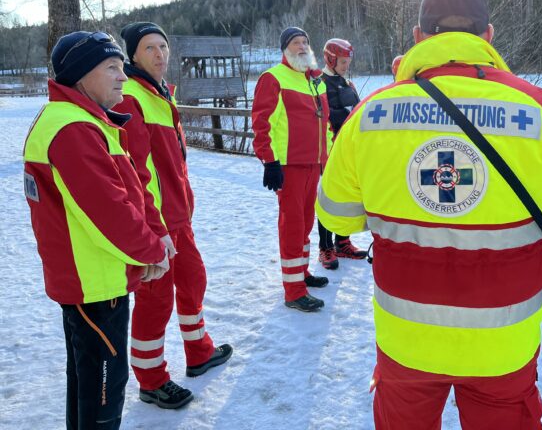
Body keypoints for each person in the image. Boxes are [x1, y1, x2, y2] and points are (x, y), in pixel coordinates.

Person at [316, 0, 542, 429]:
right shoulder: (537, 109)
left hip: (405, 335)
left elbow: (335, 213)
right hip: (503, 340)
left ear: (418, 38)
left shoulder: (371, 112)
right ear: (488, 36)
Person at [23, 31, 172, 429]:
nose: (123, 77)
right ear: (80, 75)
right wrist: (152, 251)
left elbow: (131, 191)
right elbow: (111, 212)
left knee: (87, 384)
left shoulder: (84, 121)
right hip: (94, 283)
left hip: (92, 278)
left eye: (122, 67)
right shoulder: (73, 128)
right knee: (104, 390)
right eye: (111, 68)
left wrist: (149, 247)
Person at [114, 22, 233, 409]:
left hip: (179, 218)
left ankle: (199, 351)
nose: (160, 54)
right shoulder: (131, 97)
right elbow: (138, 173)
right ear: (132, 55)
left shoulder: (159, 94)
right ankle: (151, 380)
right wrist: (154, 229)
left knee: (193, 279)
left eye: (163, 46)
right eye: (150, 47)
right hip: (158, 225)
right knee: (155, 300)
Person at [252, 26, 331, 312]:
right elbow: (262, 123)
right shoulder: (273, 78)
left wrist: (329, 158)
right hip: (289, 165)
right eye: (296, 42)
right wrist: (269, 161)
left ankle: (303, 273)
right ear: (285, 49)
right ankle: (293, 289)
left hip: (314, 164)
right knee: (292, 225)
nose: (302, 45)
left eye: (305, 41)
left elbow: (327, 126)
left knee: (307, 222)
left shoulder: (316, 82)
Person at [316, 38, 367, 270]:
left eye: (348, 61)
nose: (347, 65)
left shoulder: (348, 83)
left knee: (346, 195)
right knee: (328, 197)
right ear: (331, 59)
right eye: (343, 61)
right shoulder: (319, 83)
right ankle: (325, 247)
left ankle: (342, 242)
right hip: (329, 147)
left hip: (348, 149)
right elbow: (321, 116)